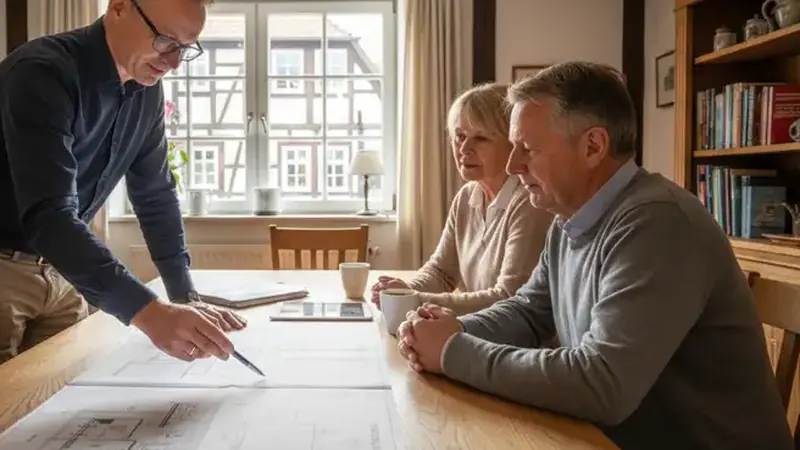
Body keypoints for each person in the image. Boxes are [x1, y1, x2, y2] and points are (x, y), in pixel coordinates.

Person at [395, 62, 793, 449]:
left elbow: (603, 383)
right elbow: (528, 312)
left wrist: (452, 351)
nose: (514, 165)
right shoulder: (569, 218)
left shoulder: (656, 223)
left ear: (593, 146)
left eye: (528, 148)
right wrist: (452, 330)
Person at [0, 0, 246, 365]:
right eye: (165, 40)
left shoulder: (146, 91)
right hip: (5, 272)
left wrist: (183, 296)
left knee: (55, 405)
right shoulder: (41, 72)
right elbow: (50, 216)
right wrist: (149, 313)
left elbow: (156, 194)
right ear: (118, 7)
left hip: (65, 274)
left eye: (185, 48)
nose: (174, 63)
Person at [371, 83, 552, 316]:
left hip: (516, 345)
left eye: (481, 138)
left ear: (512, 142)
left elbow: (508, 297)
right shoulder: (466, 196)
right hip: (479, 334)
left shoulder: (529, 202)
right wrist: (405, 290)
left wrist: (415, 300)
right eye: (460, 136)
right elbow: (441, 272)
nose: (464, 148)